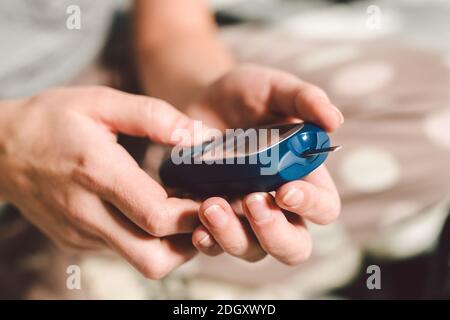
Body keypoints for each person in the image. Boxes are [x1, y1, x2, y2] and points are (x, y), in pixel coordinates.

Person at [0, 0, 343, 279]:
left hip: (105, 62)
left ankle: (94, 246)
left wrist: (200, 90)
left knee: (394, 95)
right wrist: (10, 144)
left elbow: (174, 28)